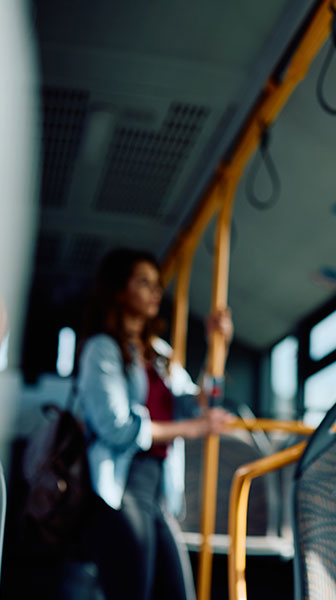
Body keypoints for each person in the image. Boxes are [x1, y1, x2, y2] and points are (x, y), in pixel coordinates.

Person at [77, 248, 234, 600]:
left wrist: (215, 346)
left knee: (177, 591)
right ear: (119, 291)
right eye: (143, 282)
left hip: (158, 490)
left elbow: (197, 403)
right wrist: (193, 429)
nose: (154, 292)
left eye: (156, 284)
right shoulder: (101, 350)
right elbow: (116, 428)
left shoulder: (159, 354)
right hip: (121, 486)